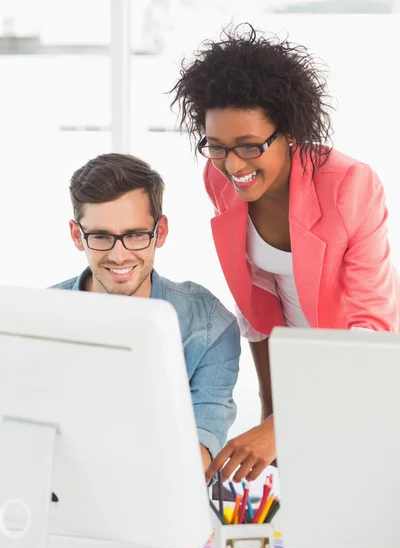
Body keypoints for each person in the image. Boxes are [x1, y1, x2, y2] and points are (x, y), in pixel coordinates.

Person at [170, 24, 400, 483]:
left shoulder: (350, 185)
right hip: (298, 368)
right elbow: (256, 303)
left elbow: (373, 332)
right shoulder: (222, 181)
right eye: (216, 147)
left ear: (289, 132)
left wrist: (283, 426)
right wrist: (271, 409)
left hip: (365, 370)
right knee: (293, 519)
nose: (233, 165)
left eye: (250, 146)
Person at [52, 153, 240, 471]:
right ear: (76, 236)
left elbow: (202, 446)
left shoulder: (209, 326)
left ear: (160, 231)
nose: (118, 255)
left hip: (159, 509)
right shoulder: (38, 319)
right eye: (100, 236)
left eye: (136, 235)